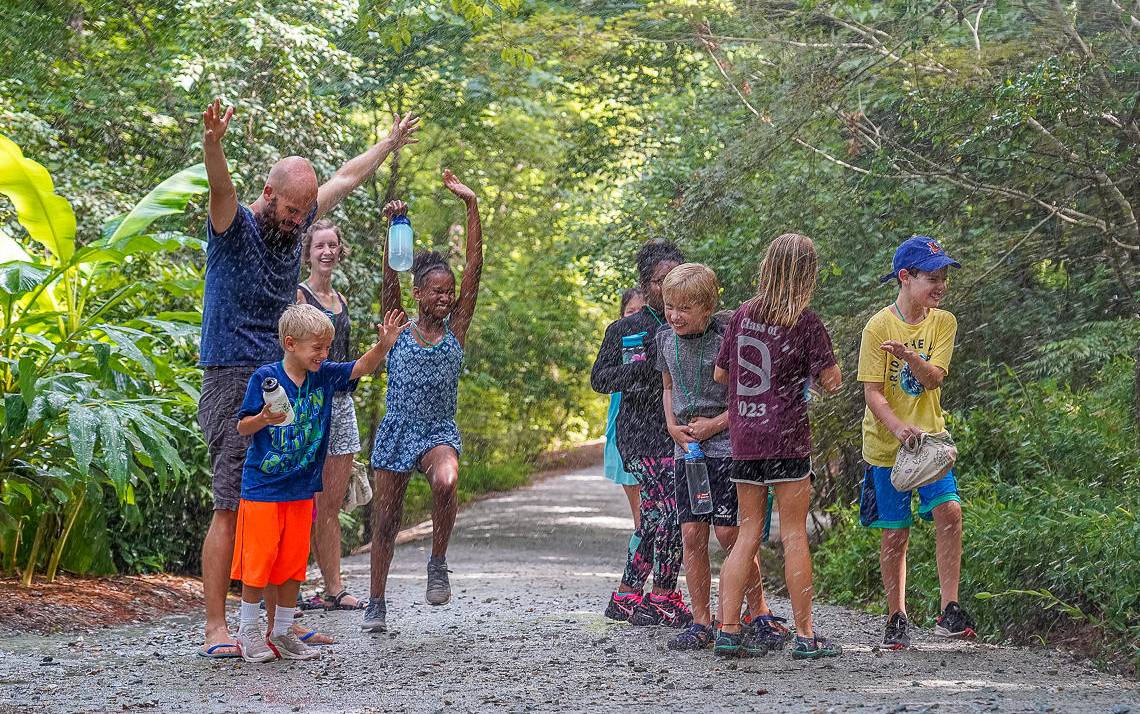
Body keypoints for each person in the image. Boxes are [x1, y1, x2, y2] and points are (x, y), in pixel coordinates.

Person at [196, 97, 419, 658]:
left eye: (305, 213)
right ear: (270, 195)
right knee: (232, 502)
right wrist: (213, 144)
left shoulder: (299, 223)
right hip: (231, 376)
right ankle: (218, 627)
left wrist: (388, 144)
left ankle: (278, 624)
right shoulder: (236, 228)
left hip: (285, 374)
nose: (300, 222)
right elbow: (220, 189)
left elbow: (344, 176)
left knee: (287, 493)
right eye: (293, 211)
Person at [231, 304, 408, 662]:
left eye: (327, 348)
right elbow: (242, 426)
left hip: (301, 489)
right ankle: (248, 631)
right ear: (291, 343)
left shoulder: (323, 376)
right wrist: (263, 418)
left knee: (293, 563)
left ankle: (281, 632)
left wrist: (384, 345)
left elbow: (361, 367)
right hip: (264, 488)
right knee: (259, 560)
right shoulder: (266, 378)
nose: (324, 355)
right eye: (317, 348)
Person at [362, 170, 483, 633]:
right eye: (437, 291)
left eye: (449, 292)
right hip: (397, 429)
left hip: (436, 432)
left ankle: (437, 562)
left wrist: (470, 206)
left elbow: (473, 268)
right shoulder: (398, 325)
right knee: (386, 524)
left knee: (447, 479)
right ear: (418, 294)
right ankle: (376, 602)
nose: (446, 297)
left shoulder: (457, 328)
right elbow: (390, 279)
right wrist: (395, 228)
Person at [712, 233, 843, 660]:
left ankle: (728, 629)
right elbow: (832, 382)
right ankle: (805, 635)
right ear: (808, 274)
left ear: (766, 267)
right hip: (787, 437)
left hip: (746, 437)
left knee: (747, 532)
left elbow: (720, 376)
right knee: (792, 535)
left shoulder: (742, 316)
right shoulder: (806, 323)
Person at [857, 236, 975, 649]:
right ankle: (896, 616)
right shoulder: (877, 326)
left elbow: (934, 378)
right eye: (932, 277)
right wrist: (895, 428)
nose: (941, 285)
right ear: (905, 278)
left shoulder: (944, 322)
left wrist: (908, 355)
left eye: (944, 277)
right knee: (896, 533)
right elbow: (872, 392)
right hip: (887, 446)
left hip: (930, 443)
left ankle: (949, 608)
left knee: (950, 512)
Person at [655, 263, 775, 651]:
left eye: (685, 308)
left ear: (708, 307)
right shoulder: (664, 339)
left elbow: (746, 395)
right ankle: (701, 620)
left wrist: (715, 425)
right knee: (691, 533)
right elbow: (668, 385)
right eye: (670, 306)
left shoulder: (728, 336)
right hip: (686, 449)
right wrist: (673, 425)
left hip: (725, 444)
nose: (675, 315)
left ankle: (759, 612)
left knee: (728, 533)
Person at [591, 240, 692, 627]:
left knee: (654, 519)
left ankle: (627, 595)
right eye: (659, 281)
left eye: (674, 279)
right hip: (639, 436)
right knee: (668, 514)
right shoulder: (625, 329)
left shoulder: (691, 324)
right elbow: (600, 379)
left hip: (682, 435)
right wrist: (646, 368)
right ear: (646, 284)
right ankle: (664, 595)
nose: (666, 287)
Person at [296, 220, 365, 610]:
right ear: (308, 251)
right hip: (310, 405)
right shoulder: (301, 297)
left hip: (342, 405)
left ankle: (334, 588)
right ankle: (293, 585)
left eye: (332, 245)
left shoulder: (341, 300)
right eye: (319, 245)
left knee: (331, 506)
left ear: (340, 251)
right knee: (302, 500)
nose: (326, 251)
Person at [604, 288, 647, 526]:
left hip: (654, 434)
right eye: (631, 312)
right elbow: (602, 379)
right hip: (624, 431)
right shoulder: (615, 343)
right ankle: (643, 559)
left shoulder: (658, 338)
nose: (636, 317)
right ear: (621, 316)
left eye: (642, 311)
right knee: (641, 516)